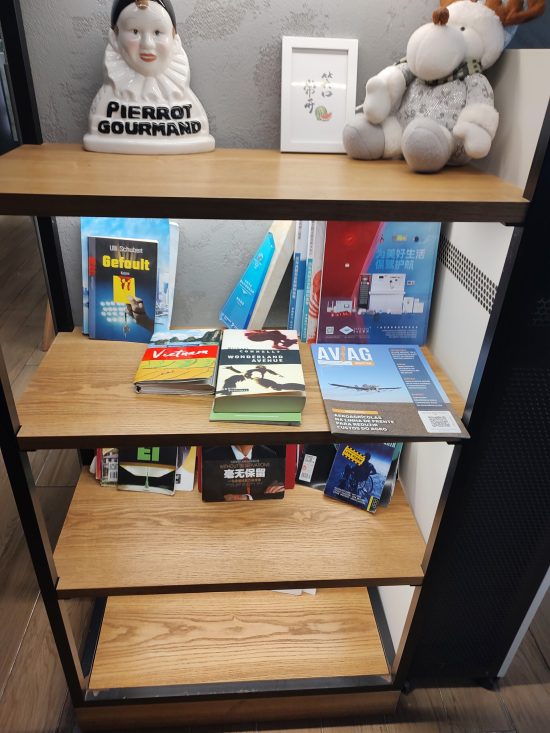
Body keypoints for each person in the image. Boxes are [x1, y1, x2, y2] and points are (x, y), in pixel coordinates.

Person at [202, 445, 285, 501]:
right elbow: (211, 496)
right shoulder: (210, 457)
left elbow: (277, 492)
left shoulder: (270, 455)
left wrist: (246, 498)